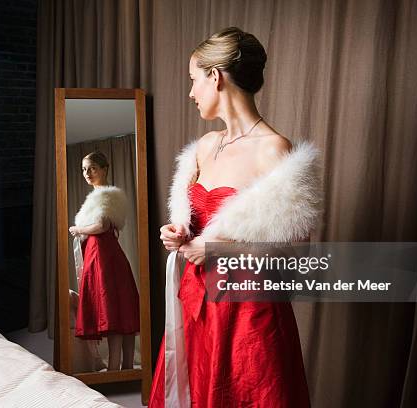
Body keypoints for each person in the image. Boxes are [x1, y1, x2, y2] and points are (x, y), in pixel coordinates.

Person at [149, 27, 322, 407]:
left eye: (194, 81)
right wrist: (179, 232)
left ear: (216, 77)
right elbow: (197, 222)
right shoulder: (205, 146)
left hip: (247, 313)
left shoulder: (273, 150)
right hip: (195, 303)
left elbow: (298, 252)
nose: (191, 93)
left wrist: (215, 250)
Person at [69, 151, 140, 371]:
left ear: (104, 169)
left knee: (112, 311)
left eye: (92, 168)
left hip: (103, 257)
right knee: (121, 313)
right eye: (83, 169)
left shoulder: (104, 195)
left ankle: (115, 372)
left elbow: (102, 226)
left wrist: (78, 229)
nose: (87, 173)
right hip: (104, 255)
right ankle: (125, 369)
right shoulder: (104, 195)